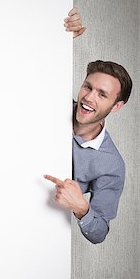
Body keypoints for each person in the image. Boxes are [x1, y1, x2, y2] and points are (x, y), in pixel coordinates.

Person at [45, 61, 132, 244]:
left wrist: (81, 207)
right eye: (88, 87)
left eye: (102, 95)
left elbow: (99, 232)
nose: (89, 98)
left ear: (116, 106)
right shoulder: (51, 101)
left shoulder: (112, 165)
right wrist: (57, 34)